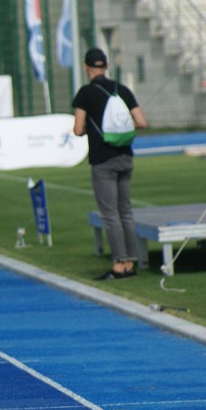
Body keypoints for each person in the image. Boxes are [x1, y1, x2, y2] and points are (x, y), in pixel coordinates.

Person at [73, 48, 147, 280]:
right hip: (125, 155)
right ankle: (131, 261)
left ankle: (119, 263)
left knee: (110, 214)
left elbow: (77, 129)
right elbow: (142, 122)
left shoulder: (85, 93)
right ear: (106, 66)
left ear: (87, 68)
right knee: (125, 211)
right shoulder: (121, 89)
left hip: (102, 159)